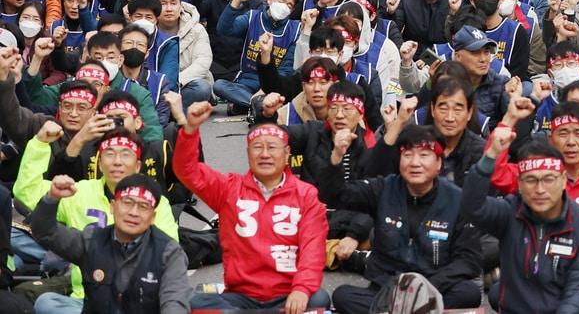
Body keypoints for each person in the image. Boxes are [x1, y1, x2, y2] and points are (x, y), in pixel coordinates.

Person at [172, 99, 330, 313]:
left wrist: (302, 289)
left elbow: (314, 248)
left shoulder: (306, 195)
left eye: (272, 148)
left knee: (318, 299)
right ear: (247, 153)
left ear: (287, 154)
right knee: (194, 304)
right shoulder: (229, 188)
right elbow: (187, 170)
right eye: (257, 147)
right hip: (240, 296)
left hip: (288, 295)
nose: (264, 154)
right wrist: (190, 130)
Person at [322, 124, 483, 314]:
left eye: (424, 155)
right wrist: (337, 156)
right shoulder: (383, 189)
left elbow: (469, 260)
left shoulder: (458, 200)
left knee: (469, 293)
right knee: (343, 296)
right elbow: (335, 195)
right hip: (387, 289)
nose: (415, 163)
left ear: (439, 162)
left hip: (435, 287)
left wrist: (423, 289)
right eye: (407, 155)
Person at [466, 125, 579, 314]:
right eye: (531, 180)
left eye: (548, 179)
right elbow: (471, 207)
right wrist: (490, 157)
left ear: (563, 180)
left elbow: (578, 295)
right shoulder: (509, 212)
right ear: (520, 184)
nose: (540, 189)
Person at [30, 174, 192, 314]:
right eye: (127, 202)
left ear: (153, 217)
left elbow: (174, 302)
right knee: (46, 301)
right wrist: (52, 198)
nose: (133, 212)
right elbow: (46, 232)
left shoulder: (169, 252)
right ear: (113, 207)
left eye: (143, 207)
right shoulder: (92, 240)